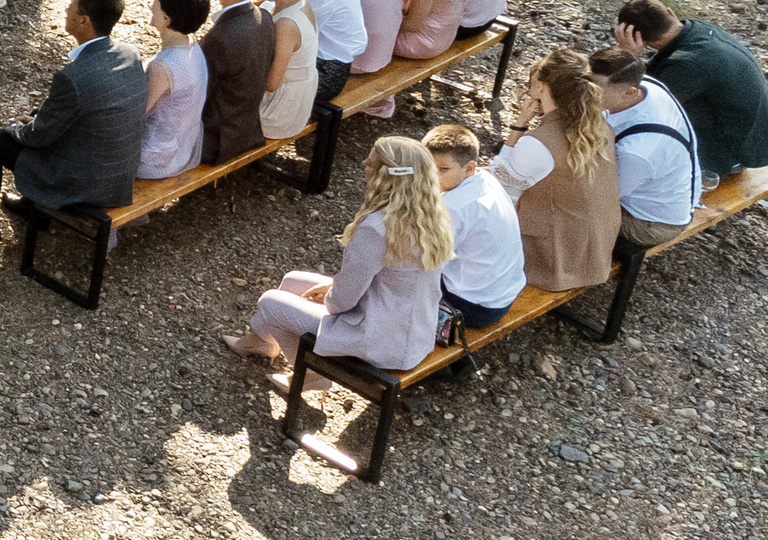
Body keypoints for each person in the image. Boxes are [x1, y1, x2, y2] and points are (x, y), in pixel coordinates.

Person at [0, 0, 147, 251]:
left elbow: (39, 137)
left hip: (85, 182)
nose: (65, 9)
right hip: (117, 173)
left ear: (84, 20)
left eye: (71, 6)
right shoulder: (130, 54)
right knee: (41, 118)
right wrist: (38, 118)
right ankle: (30, 206)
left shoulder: (73, 78)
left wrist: (17, 128)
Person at [224, 135, 453, 376]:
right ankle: (261, 341)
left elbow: (342, 302)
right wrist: (332, 285)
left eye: (371, 162)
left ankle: (311, 376)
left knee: (270, 302)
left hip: (378, 339)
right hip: (413, 332)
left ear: (386, 176)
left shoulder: (377, 228)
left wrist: (330, 295)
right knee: (293, 281)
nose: (364, 163)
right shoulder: (431, 219)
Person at [489, 49, 621, 292]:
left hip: (557, 257)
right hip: (594, 246)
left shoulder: (539, 144)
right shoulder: (599, 125)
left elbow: (497, 185)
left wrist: (518, 126)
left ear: (542, 87)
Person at [616, 0, 768, 179]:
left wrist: (629, 57)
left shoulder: (689, 64)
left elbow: (637, 104)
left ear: (639, 39)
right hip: (748, 134)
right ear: (670, 13)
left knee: (627, 138)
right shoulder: (696, 28)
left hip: (731, 154)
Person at [592, 47, 701, 252]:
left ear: (629, 92)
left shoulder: (639, 152)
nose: (585, 93)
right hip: (670, 188)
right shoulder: (649, 86)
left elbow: (603, 197)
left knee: (561, 206)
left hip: (650, 223)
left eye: (595, 91)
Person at [424, 125, 524, 331]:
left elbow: (430, 262)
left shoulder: (455, 206)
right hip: (503, 293)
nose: (432, 177)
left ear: (469, 167)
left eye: (443, 170)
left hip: (474, 306)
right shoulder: (486, 179)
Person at [197, 0, 276, 166]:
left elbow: (200, 93)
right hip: (248, 127)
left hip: (218, 140)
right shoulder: (264, 17)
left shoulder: (220, 39)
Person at [136, 0, 212, 180]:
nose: (151, 6)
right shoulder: (192, 46)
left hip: (154, 160)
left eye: (156, 3)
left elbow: (135, 114)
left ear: (167, 18)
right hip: (181, 148)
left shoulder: (162, 68)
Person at [256, 0, 325, 144]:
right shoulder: (299, 2)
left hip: (280, 110)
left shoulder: (286, 25)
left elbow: (271, 83)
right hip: (296, 98)